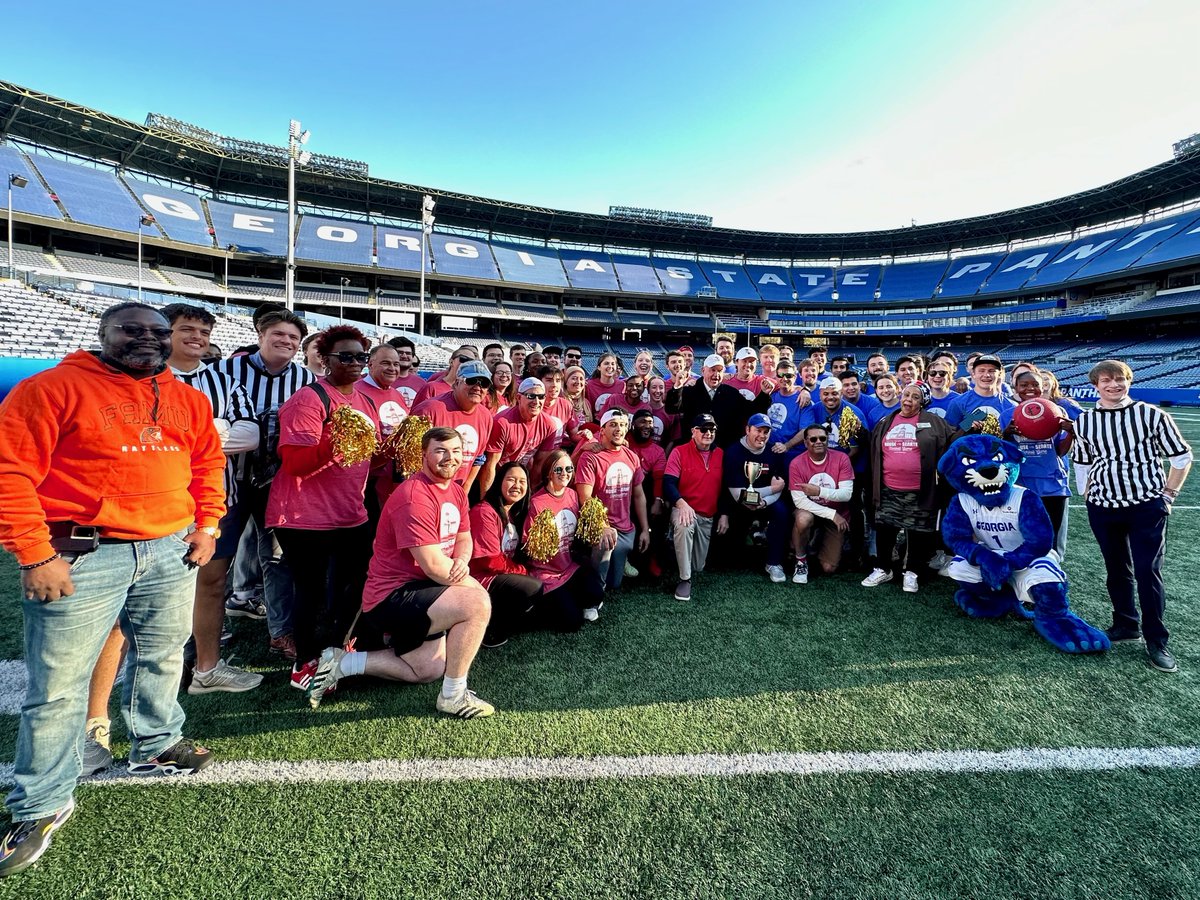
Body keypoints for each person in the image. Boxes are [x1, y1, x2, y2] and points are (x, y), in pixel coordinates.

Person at [0, 302, 225, 876]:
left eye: (156, 332)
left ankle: (155, 743)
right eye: (131, 330)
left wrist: (207, 525)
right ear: (102, 334)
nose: (145, 340)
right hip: (83, 552)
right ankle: (40, 803)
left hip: (170, 547)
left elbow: (207, 464)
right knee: (56, 685)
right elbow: (10, 472)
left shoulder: (187, 398)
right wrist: (35, 552)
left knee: (161, 654)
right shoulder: (52, 388)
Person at [304, 427, 495, 716]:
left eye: (456, 451)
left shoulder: (455, 490)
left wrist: (462, 561)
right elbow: (432, 566)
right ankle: (453, 696)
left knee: (427, 669)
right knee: (476, 604)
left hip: (425, 589)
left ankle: (341, 663)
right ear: (423, 455)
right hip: (390, 598)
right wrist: (474, 589)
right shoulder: (414, 496)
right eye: (441, 450)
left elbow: (464, 537)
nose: (450, 457)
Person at [268, 325, 380, 693]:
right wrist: (336, 440)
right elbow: (296, 462)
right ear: (324, 359)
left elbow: (364, 459)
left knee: (354, 585)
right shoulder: (309, 399)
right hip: (305, 517)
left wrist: (391, 451)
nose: (353, 363)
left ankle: (337, 649)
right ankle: (305, 663)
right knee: (311, 592)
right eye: (344, 356)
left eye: (360, 357)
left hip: (350, 512)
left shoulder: (364, 402)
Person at [162, 303, 262, 696]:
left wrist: (185, 440)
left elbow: (250, 436)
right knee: (147, 595)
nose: (197, 338)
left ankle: (206, 668)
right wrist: (215, 433)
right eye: (187, 329)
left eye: (203, 333)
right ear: (165, 332)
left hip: (219, 499)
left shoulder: (221, 380)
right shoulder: (141, 377)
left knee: (212, 583)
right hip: (157, 504)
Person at [1068, 359, 1192, 673]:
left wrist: (1169, 494)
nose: (1113, 385)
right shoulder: (1085, 421)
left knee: (1148, 572)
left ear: (1128, 381)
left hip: (1145, 505)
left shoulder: (1151, 415)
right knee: (1116, 569)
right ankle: (1125, 624)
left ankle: (1156, 640)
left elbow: (1182, 456)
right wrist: (1087, 492)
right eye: (1106, 380)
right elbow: (1082, 461)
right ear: (1096, 385)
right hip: (1103, 505)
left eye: (1119, 379)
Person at [214, 308, 314, 659]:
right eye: (279, 335)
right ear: (260, 335)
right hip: (228, 481)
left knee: (276, 559)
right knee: (214, 560)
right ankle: (200, 638)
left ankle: (281, 631)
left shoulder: (305, 380)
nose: (285, 342)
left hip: (277, 485)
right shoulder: (225, 371)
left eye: (293, 338)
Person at [862, 383, 959, 594]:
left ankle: (912, 571)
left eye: (915, 397)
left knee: (919, 532)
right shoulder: (885, 421)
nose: (908, 400)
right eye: (906, 394)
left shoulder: (934, 422)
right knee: (885, 529)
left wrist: (971, 428)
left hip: (921, 489)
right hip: (888, 487)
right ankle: (883, 568)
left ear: (922, 401)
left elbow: (953, 442)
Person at [524, 449, 604, 629]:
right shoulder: (536, 503)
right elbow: (528, 547)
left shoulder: (573, 495)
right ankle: (540, 604)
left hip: (569, 567)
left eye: (569, 469)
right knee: (572, 623)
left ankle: (568, 596)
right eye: (558, 470)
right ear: (548, 473)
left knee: (597, 594)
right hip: (546, 572)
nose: (565, 474)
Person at [575, 409, 650, 596]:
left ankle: (619, 560)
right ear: (602, 430)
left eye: (623, 425)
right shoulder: (590, 457)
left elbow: (639, 495)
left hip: (625, 529)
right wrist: (602, 525)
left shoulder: (631, 456)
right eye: (613, 424)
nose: (619, 429)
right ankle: (592, 588)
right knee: (598, 585)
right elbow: (585, 498)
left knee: (614, 584)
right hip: (601, 527)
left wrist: (644, 529)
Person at [468, 461, 543, 647]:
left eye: (522, 481)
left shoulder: (514, 512)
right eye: (511, 479)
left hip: (501, 575)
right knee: (532, 587)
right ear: (499, 481)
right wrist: (521, 571)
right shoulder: (484, 512)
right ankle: (489, 630)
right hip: (480, 579)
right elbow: (490, 561)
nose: (517, 485)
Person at [1000, 368, 1072, 556]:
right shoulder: (1007, 414)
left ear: (1042, 388)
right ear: (1015, 388)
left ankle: (1048, 578)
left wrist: (1072, 432)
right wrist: (1006, 435)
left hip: (1052, 485)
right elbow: (1002, 454)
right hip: (1021, 484)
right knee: (1021, 537)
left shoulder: (1057, 411)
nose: (1030, 389)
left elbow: (1059, 451)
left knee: (1050, 540)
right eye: (1024, 385)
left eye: (1035, 385)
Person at [719, 414, 791, 583]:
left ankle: (774, 562)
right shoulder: (733, 451)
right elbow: (738, 494)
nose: (762, 435)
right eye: (758, 430)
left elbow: (780, 488)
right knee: (728, 560)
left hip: (766, 502)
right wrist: (770, 489)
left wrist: (764, 501)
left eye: (766, 432)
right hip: (738, 503)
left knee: (781, 511)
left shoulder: (774, 452)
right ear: (747, 430)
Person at [664, 414, 726, 601]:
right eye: (704, 429)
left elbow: (725, 489)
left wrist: (724, 514)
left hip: (707, 516)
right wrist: (682, 504)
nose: (708, 433)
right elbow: (668, 483)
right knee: (684, 524)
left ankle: (675, 550)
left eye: (712, 430)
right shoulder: (679, 452)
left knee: (698, 565)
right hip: (683, 508)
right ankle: (685, 580)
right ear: (693, 432)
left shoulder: (721, 454)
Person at [412, 360, 496, 493]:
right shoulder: (429, 410)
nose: (477, 387)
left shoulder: (485, 416)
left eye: (484, 384)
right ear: (456, 383)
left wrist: (465, 489)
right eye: (471, 380)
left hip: (455, 492)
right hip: (423, 489)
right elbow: (409, 459)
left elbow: (478, 459)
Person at [788, 424, 854, 584]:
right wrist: (832, 514)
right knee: (803, 518)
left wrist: (818, 491)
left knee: (828, 568)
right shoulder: (796, 463)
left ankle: (817, 542)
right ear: (805, 442)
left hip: (836, 515)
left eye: (823, 438)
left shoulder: (841, 458)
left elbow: (846, 495)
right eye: (813, 439)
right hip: (821, 513)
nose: (818, 442)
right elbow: (800, 501)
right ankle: (801, 560)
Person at [479, 376, 559, 494]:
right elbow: (490, 466)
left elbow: (539, 465)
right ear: (518, 398)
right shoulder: (503, 422)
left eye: (541, 397)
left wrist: (530, 496)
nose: (536, 402)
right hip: (497, 475)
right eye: (531, 396)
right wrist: (485, 498)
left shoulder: (549, 425)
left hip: (520, 477)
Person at [628, 408, 668, 577]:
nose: (646, 426)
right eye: (642, 422)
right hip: (621, 494)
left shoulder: (658, 451)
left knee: (656, 507)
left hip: (644, 496)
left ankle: (652, 558)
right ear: (633, 425)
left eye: (650, 423)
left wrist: (658, 501)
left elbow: (659, 479)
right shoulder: (624, 443)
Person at [712, 349, 774, 448]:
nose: (748, 364)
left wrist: (803, 390)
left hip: (754, 438)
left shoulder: (763, 381)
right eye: (744, 361)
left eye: (751, 361)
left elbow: (787, 384)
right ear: (736, 362)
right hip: (729, 437)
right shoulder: (725, 382)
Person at [947, 354, 1014, 430]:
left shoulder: (1011, 406)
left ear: (999, 374)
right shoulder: (958, 403)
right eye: (981, 371)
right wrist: (967, 427)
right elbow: (950, 436)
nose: (986, 375)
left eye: (991, 371)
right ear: (973, 373)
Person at [666, 354, 725, 433]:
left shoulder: (731, 393)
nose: (716, 374)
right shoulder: (688, 391)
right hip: (692, 443)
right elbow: (671, 409)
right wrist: (678, 385)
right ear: (703, 370)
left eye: (719, 371)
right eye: (712, 370)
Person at [413, 346, 478, 408]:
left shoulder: (473, 392)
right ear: (451, 362)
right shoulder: (431, 388)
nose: (467, 364)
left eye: (472, 362)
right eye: (464, 359)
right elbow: (416, 415)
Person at [383, 336, 427, 407]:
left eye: (408, 353)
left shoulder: (422, 383)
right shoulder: (381, 381)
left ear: (413, 357)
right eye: (400, 353)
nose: (404, 356)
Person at [563, 364, 593, 431]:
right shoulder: (561, 402)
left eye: (581, 379)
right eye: (574, 378)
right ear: (566, 382)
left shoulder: (586, 403)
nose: (578, 382)